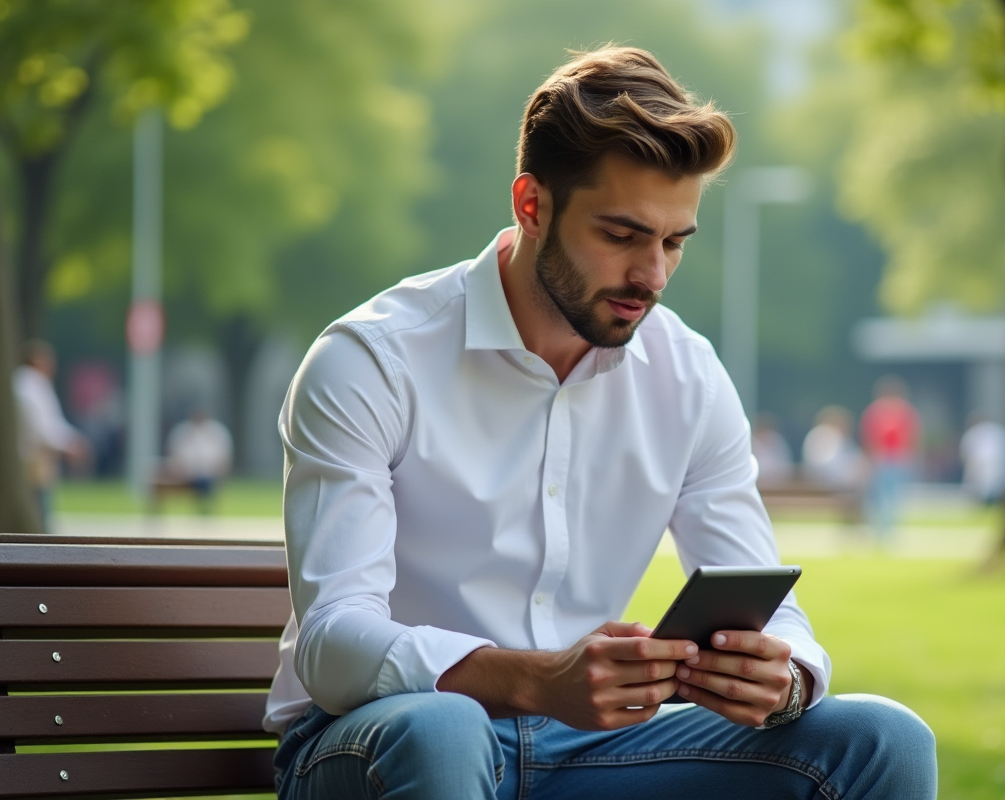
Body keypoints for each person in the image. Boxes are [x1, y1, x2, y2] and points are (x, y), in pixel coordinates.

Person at [264, 47, 936, 800]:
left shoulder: (687, 375)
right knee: (444, 727)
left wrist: (782, 678)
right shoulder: (371, 361)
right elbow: (331, 645)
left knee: (884, 742)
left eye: (674, 241)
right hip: (376, 739)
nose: (651, 275)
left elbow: (778, 613)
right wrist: (535, 679)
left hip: (586, 749)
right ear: (531, 204)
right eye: (621, 236)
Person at [12, 340, 89, 531]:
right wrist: (69, 445)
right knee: (39, 506)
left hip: (32, 456)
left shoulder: (28, 383)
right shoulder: (31, 385)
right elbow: (44, 429)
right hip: (32, 458)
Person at [859, 376, 920, 538]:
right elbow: (870, 437)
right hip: (881, 457)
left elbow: (911, 436)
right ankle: (881, 528)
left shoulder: (903, 411)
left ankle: (888, 528)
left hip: (897, 457)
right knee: (880, 495)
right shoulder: (877, 411)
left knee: (892, 495)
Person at [154, 407, 234, 514]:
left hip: (208, 474)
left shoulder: (217, 432)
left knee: (204, 481)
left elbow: (224, 458)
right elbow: (175, 455)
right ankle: (204, 507)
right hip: (185, 473)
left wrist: (217, 472)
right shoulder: (182, 432)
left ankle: (204, 507)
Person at [959, 413, 1005, 505]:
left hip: (988, 464)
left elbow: (965, 453)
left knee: (992, 486)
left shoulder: (974, 432)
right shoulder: (998, 431)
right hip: (984, 464)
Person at [751, 412, 795, 487]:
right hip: (756, 485)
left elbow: (785, 467)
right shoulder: (752, 443)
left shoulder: (777, 440)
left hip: (778, 485)